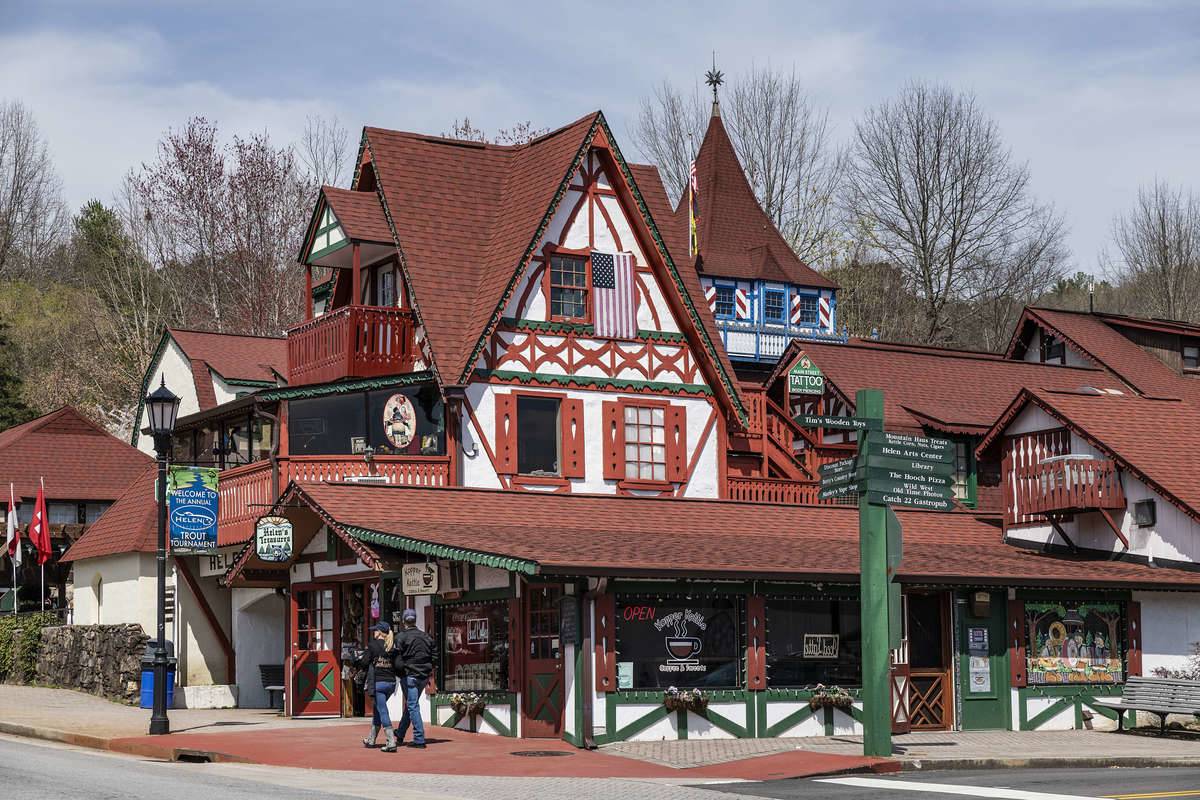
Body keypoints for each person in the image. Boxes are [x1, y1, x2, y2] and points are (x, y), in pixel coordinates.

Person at [393, 608, 435, 749]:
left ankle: (419, 738)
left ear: (404, 621)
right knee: (411, 705)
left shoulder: (401, 637)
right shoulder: (426, 637)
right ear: (415, 620)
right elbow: (434, 656)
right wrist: (429, 670)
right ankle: (400, 733)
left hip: (410, 675)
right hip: (423, 676)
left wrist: (400, 672)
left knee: (412, 706)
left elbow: (396, 659)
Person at [360, 621, 400, 752]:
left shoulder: (373, 646)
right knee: (378, 709)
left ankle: (391, 741)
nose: (374, 632)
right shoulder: (392, 646)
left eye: (375, 630)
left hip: (378, 683)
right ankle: (371, 739)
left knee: (382, 710)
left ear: (380, 632)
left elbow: (364, 663)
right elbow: (399, 665)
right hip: (391, 683)